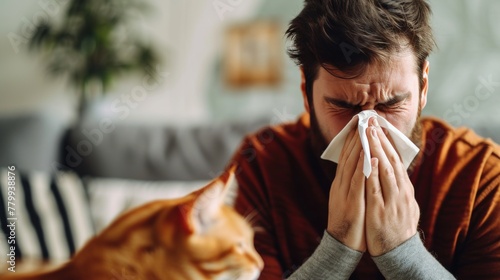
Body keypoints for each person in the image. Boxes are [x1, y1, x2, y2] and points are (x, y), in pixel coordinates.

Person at [218, 0, 500, 279]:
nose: (368, 129)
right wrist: (338, 247)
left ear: (423, 86)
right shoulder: (261, 168)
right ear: (306, 91)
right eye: (343, 106)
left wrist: (401, 252)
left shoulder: (482, 180)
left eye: (391, 104)